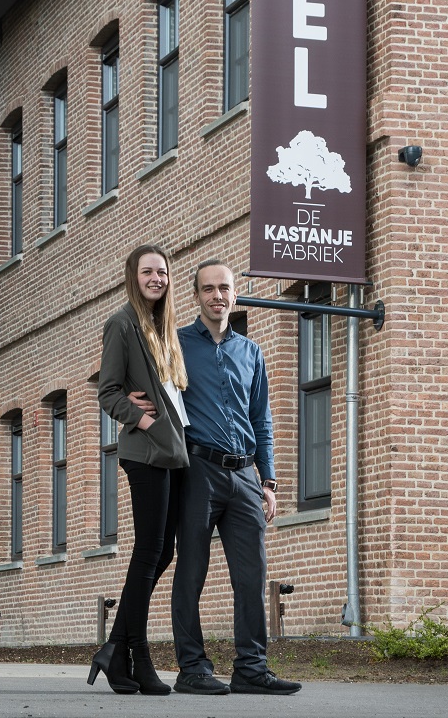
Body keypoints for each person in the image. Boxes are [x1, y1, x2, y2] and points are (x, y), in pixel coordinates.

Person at [161, 259, 301, 695]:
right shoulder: (176, 345)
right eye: (208, 289)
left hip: (244, 476)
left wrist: (268, 480)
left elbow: (262, 419)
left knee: (251, 575)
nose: (217, 296)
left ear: (234, 294)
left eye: (224, 288)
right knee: (192, 572)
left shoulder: (251, 352)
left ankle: (251, 669)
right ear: (196, 296)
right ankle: (192, 668)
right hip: (197, 472)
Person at [89, 244, 190, 696]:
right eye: (148, 271)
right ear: (133, 276)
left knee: (162, 552)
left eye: (162, 272)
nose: (156, 278)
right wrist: (145, 422)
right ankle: (138, 655)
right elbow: (108, 392)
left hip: (173, 451)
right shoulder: (122, 324)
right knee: (150, 551)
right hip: (145, 451)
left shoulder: (163, 327)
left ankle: (115, 648)